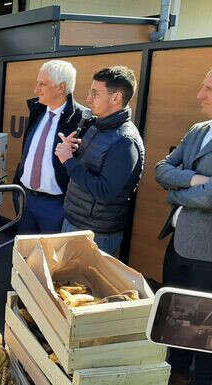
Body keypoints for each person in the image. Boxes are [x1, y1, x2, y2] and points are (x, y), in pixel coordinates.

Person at [155, 68, 212, 385]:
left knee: (204, 332)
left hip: (206, 255)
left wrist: (177, 192)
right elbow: (162, 169)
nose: (199, 95)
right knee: (173, 322)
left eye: (208, 89)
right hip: (177, 245)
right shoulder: (198, 130)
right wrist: (193, 180)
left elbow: (211, 198)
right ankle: (173, 375)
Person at [56, 66, 144, 258]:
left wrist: (69, 162)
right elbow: (90, 167)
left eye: (95, 94)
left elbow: (106, 192)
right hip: (75, 221)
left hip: (97, 234)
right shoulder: (97, 125)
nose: (88, 99)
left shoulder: (125, 141)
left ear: (116, 98)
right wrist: (74, 151)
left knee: (85, 287)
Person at [13, 60, 86, 234]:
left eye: (42, 84)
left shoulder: (82, 120)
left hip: (56, 207)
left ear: (61, 88)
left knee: (50, 260)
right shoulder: (37, 110)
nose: (36, 90)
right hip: (25, 199)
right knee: (24, 257)